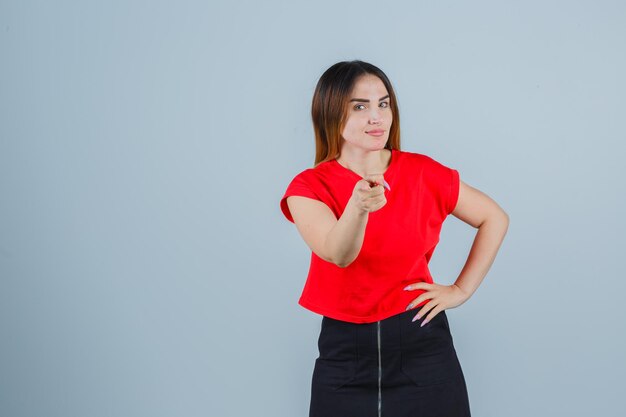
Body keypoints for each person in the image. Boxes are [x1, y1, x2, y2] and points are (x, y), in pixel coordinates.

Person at [279, 60, 509, 417]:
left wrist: (461, 290)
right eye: (360, 106)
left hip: (421, 342)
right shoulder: (309, 187)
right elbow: (337, 254)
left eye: (383, 104)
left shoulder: (423, 172)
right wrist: (358, 207)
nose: (377, 117)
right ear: (330, 113)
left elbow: (494, 217)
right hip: (344, 353)